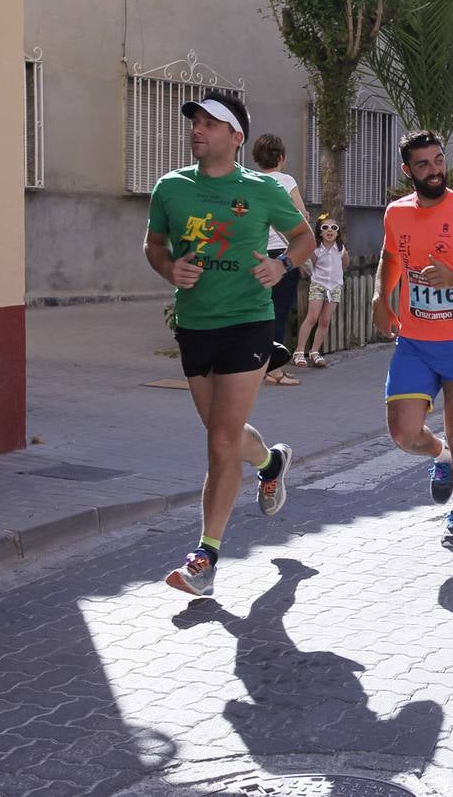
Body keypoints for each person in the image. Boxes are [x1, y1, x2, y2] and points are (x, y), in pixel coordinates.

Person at [144, 90, 313, 597]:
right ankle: (271, 463)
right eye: (194, 121)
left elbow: (304, 236)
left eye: (209, 122)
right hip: (195, 325)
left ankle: (205, 557)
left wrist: (281, 264)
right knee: (223, 433)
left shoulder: (261, 189)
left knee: (219, 440)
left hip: (248, 322)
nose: (197, 128)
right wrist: (168, 267)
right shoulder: (170, 188)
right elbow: (154, 243)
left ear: (235, 137)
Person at [372, 130, 453, 547]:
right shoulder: (396, 213)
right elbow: (390, 257)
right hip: (415, 342)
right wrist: (379, 297)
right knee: (404, 433)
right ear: (408, 171)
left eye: (438, 160)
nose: (434, 170)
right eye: (423, 164)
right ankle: (438, 456)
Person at [251, 133, 309, 386]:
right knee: (279, 312)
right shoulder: (285, 181)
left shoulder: (250, 182)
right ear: (282, 158)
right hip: (283, 255)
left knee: (257, 312)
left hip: (255, 255)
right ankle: (273, 369)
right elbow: (301, 214)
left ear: (256, 158)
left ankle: (253, 364)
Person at [292, 214, 348, 369]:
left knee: (325, 321)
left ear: (338, 232)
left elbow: (345, 264)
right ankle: (299, 352)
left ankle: (315, 351)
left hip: (334, 287)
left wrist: (336, 279)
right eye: (325, 227)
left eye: (333, 227)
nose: (329, 230)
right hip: (318, 285)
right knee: (312, 317)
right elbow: (312, 266)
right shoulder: (316, 250)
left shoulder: (341, 249)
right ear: (320, 232)